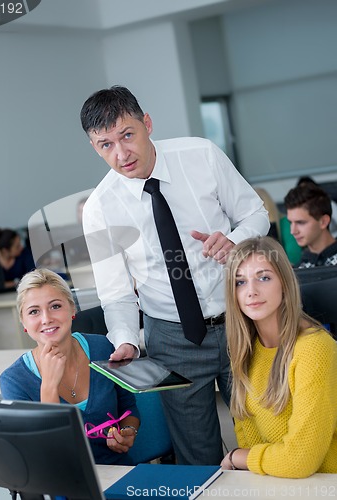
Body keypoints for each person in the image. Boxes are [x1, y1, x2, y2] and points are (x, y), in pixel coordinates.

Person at [79, 85, 270, 465]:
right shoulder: (99, 208)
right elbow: (116, 294)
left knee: (264, 435)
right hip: (171, 337)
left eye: (127, 135)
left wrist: (234, 241)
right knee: (196, 456)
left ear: (147, 123)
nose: (121, 154)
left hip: (240, 321)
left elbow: (256, 214)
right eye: (105, 145)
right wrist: (126, 340)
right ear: (94, 147)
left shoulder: (200, 155)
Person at [220, 236, 337, 477]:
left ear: (284, 282)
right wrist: (245, 457)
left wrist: (236, 457)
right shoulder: (244, 350)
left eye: (263, 278)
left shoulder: (314, 348)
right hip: (275, 481)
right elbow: (249, 440)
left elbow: (299, 460)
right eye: (240, 282)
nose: (251, 291)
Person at [0, 268, 140, 465]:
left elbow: (129, 407)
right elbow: (45, 451)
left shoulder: (103, 348)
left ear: (72, 309)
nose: (46, 318)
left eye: (55, 306)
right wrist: (48, 386)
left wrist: (127, 432)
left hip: (119, 471)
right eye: (34, 311)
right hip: (64, 483)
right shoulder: (14, 381)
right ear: (23, 322)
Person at [284, 184, 337, 267]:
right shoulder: (297, 271)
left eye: (300, 222)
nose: (293, 231)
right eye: (291, 222)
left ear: (323, 221)